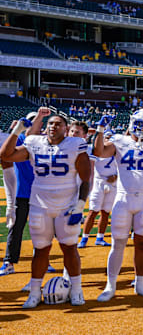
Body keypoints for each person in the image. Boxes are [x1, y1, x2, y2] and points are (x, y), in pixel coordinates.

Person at [0, 112, 91, 308]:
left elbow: (86, 178)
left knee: (69, 248)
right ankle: (34, 292)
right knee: (40, 250)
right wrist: (17, 131)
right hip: (39, 204)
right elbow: (5, 155)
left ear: (66, 129)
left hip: (66, 205)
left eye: (58, 124)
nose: (53, 126)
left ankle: (76, 289)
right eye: (50, 123)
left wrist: (80, 204)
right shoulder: (34, 142)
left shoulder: (75, 145)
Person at [94, 110, 143, 301]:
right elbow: (99, 152)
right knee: (118, 243)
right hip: (123, 198)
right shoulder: (119, 140)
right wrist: (100, 130)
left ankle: (140, 283)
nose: (142, 128)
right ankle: (110, 286)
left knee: (142, 244)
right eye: (140, 123)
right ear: (132, 122)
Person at [0, 110, 45, 276]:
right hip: (22, 192)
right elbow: (5, 155)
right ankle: (9, 262)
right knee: (16, 228)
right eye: (31, 121)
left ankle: (41, 260)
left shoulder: (45, 142)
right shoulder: (19, 140)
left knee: (41, 229)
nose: (34, 125)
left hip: (41, 193)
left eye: (37, 122)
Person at [80, 129, 116, 248]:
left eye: (110, 137)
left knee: (106, 212)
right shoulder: (94, 149)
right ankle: (84, 238)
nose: (108, 140)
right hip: (99, 182)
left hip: (113, 183)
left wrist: (116, 176)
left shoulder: (117, 151)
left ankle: (100, 237)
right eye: (106, 137)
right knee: (93, 211)